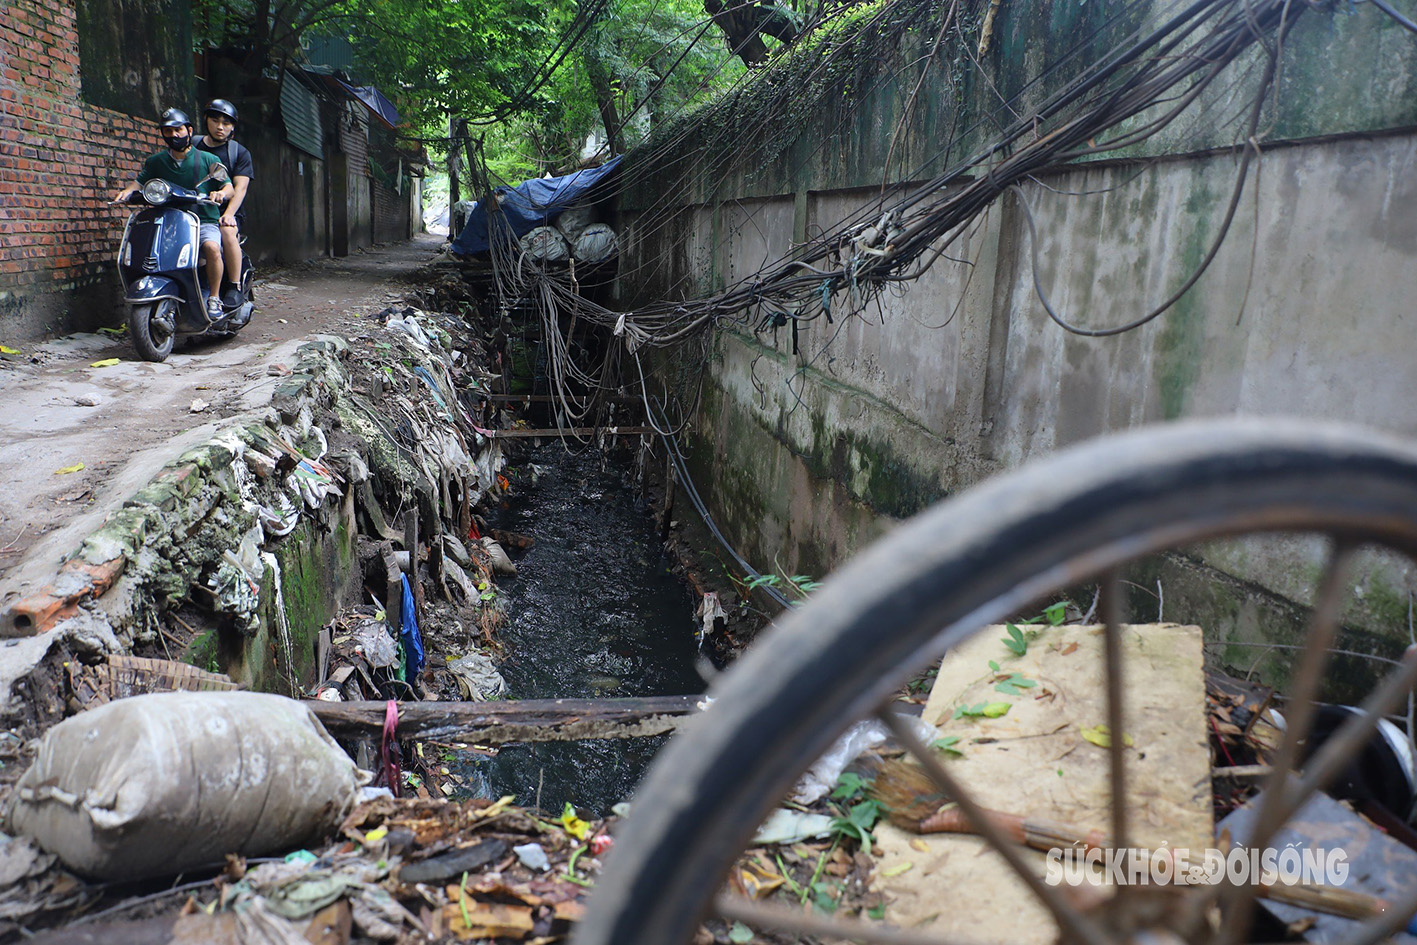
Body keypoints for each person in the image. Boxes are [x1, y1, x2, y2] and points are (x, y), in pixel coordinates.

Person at [114, 108, 233, 317]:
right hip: (168, 221)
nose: (174, 136)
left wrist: (220, 193)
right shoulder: (156, 162)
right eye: (168, 132)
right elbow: (139, 183)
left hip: (202, 220)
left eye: (178, 130)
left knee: (213, 248)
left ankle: (214, 298)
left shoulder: (207, 158)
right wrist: (126, 192)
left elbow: (229, 186)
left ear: (189, 130)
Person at [195, 99, 254, 303]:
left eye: (226, 123)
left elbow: (241, 188)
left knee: (227, 230)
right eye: (215, 120)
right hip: (195, 211)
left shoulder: (238, 153)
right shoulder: (192, 146)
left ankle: (234, 286)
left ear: (233, 127)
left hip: (225, 211)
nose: (220, 127)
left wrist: (228, 213)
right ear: (206, 120)